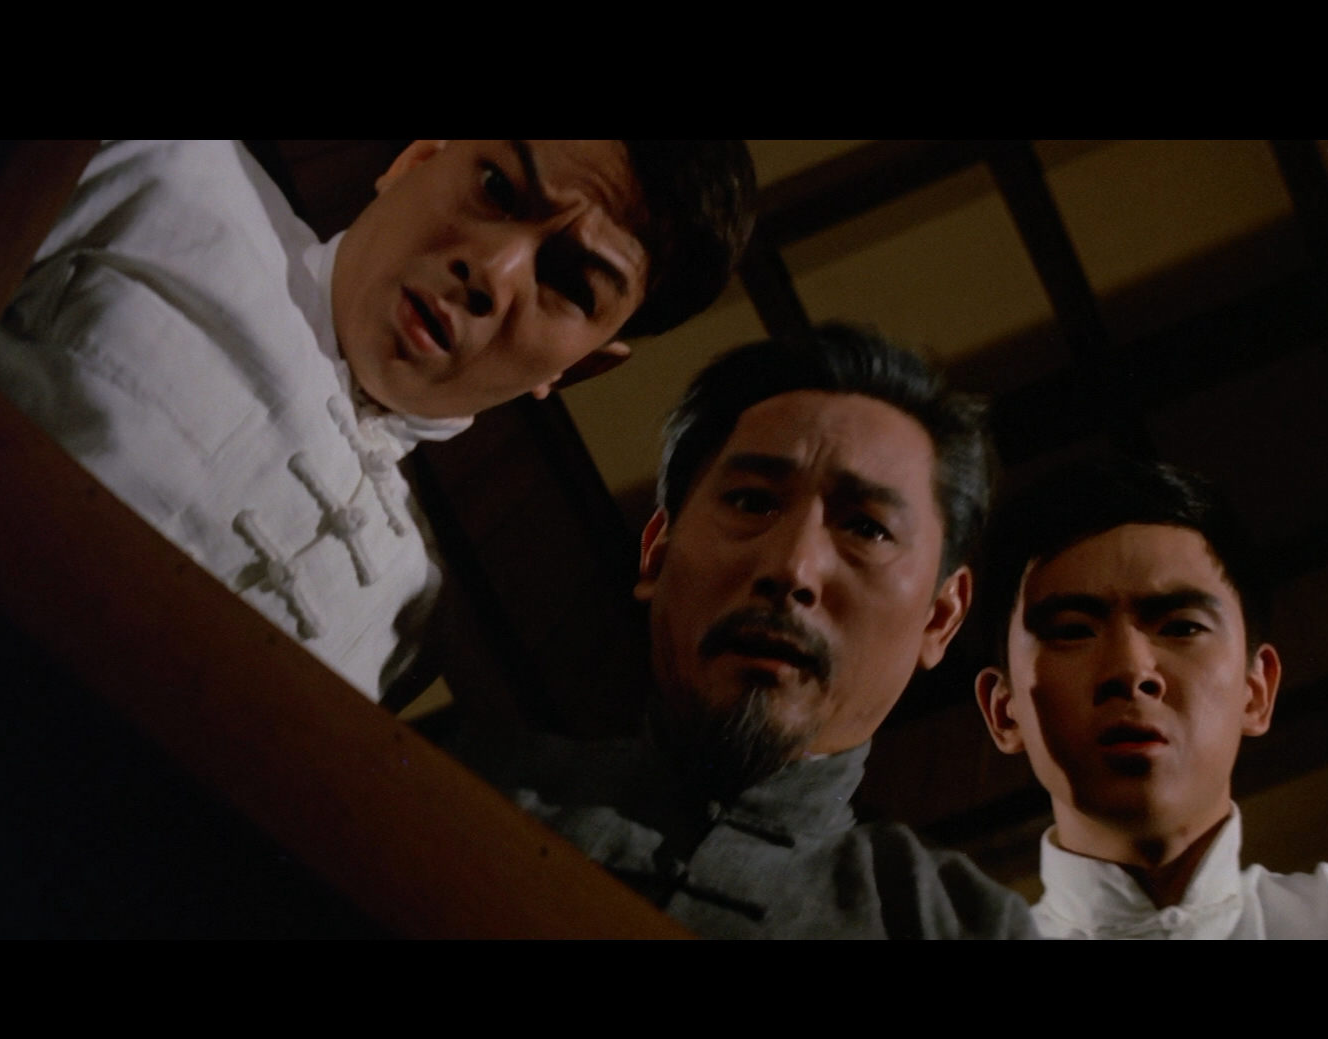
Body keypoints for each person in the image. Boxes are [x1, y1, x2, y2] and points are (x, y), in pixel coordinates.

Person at [0, 140, 755, 701]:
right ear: (417, 158)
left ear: (577, 368)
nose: (492, 271)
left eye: (572, 283)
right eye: (496, 187)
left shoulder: (407, 613)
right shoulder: (168, 170)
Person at [442, 324, 1037, 938]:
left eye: (866, 528)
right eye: (752, 502)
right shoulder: (462, 789)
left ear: (940, 618)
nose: (793, 567)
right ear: (657, 554)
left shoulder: (966, 929)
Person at [971, 456, 1328, 938]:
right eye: (1073, 631)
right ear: (1004, 710)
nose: (1131, 669)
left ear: (1257, 690)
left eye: (1182, 627)